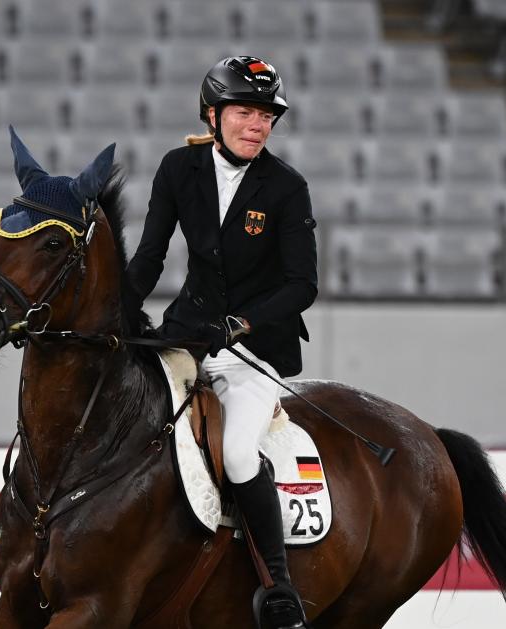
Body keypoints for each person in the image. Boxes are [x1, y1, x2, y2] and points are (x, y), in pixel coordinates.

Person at [125, 55, 318, 629]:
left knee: (236, 452)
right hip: (188, 330)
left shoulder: (286, 187)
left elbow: (302, 286)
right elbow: (151, 256)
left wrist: (237, 327)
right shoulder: (178, 168)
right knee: (117, 412)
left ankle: (278, 583)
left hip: (257, 347)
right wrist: (121, 304)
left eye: (267, 115)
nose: (258, 125)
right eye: (245, 112)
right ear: (212, 114)